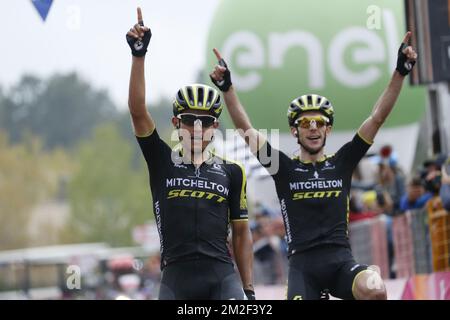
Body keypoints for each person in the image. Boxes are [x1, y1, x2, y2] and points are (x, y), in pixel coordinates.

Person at [209, 32, 417, 299]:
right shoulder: (282, 168)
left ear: (328, 129)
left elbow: (377, 117)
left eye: (319, 122)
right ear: (295, 132)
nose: (313, 128)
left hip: (342, 262)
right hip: (303, 269)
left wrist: (400, 72)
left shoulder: (342, 162)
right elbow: (245, 129)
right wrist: (227, 88)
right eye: (305, 123)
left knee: (375, 289)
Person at [126, 7, 254, 300]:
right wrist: (138, 56)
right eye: (189, 121)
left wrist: (249, 290)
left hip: (222, 277)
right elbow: (137, 111)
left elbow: (241, 233)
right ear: (176, 123)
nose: (197, 128)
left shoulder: (232, 172)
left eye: (206, 121)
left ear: (215, 127)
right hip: (176, 279)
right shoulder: (161, 161)